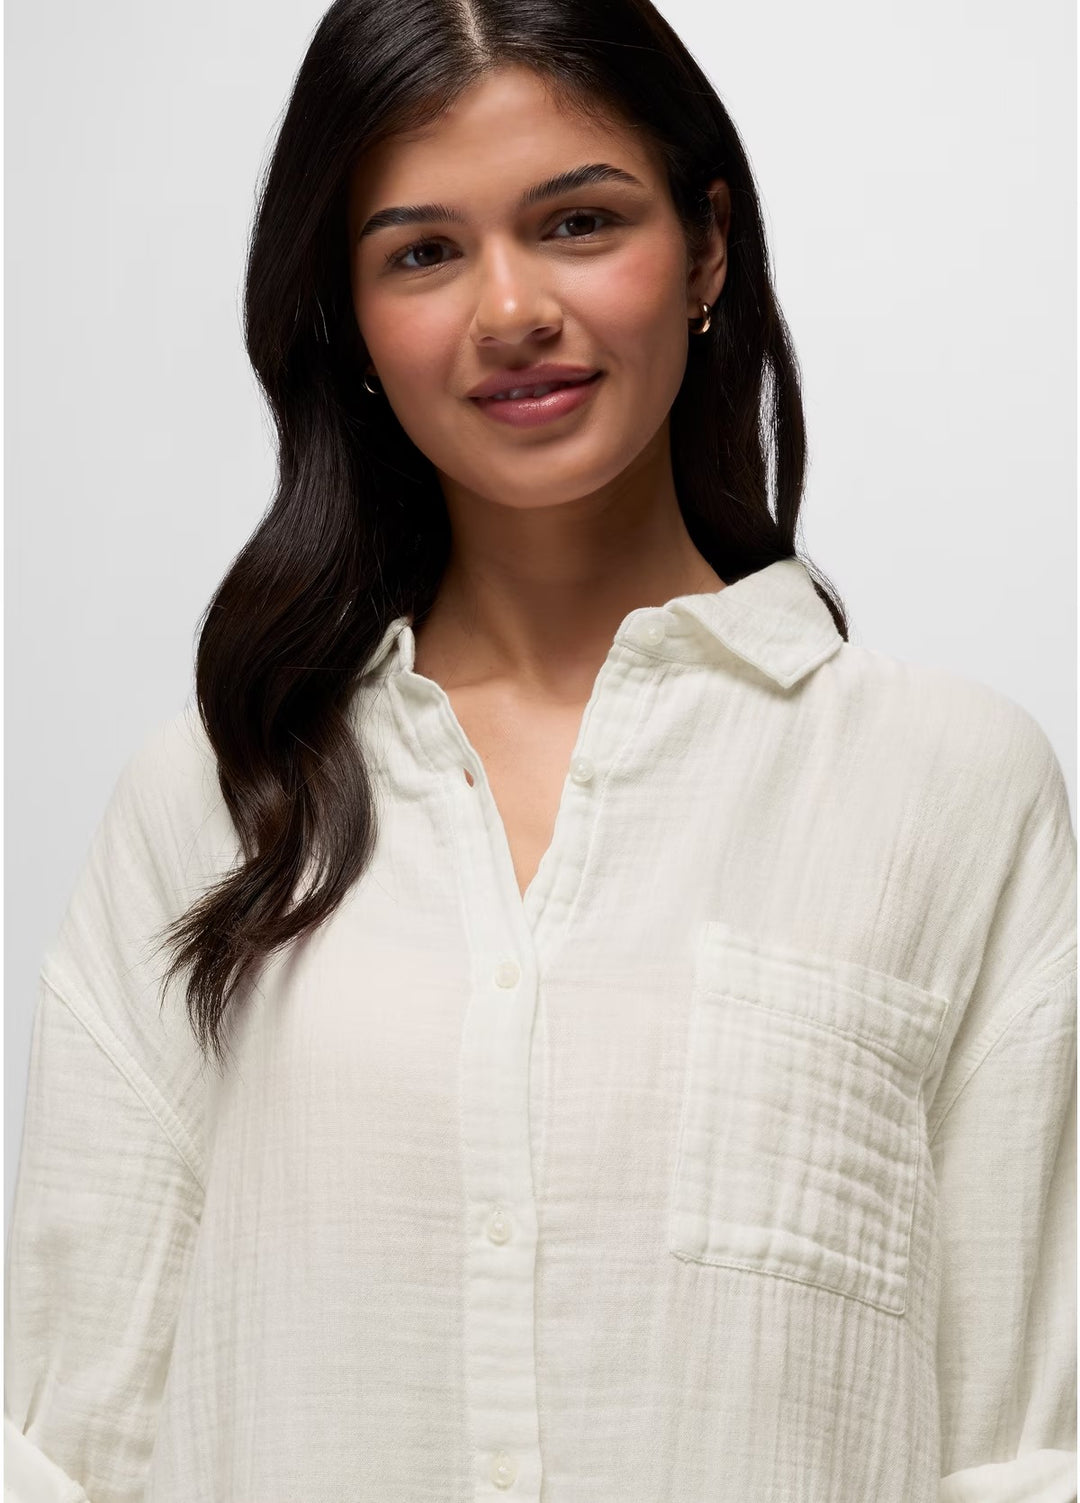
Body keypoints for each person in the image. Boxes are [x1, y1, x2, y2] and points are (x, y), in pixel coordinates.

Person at [5, 0, 1075, 1499]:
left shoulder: (948, 788)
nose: (510, 310)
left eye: (577, 221)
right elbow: (65, 1447)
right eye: (424, 251)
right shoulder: (214, 797)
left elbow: (1023, 1453)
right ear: (352, 316)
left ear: (705, 248)